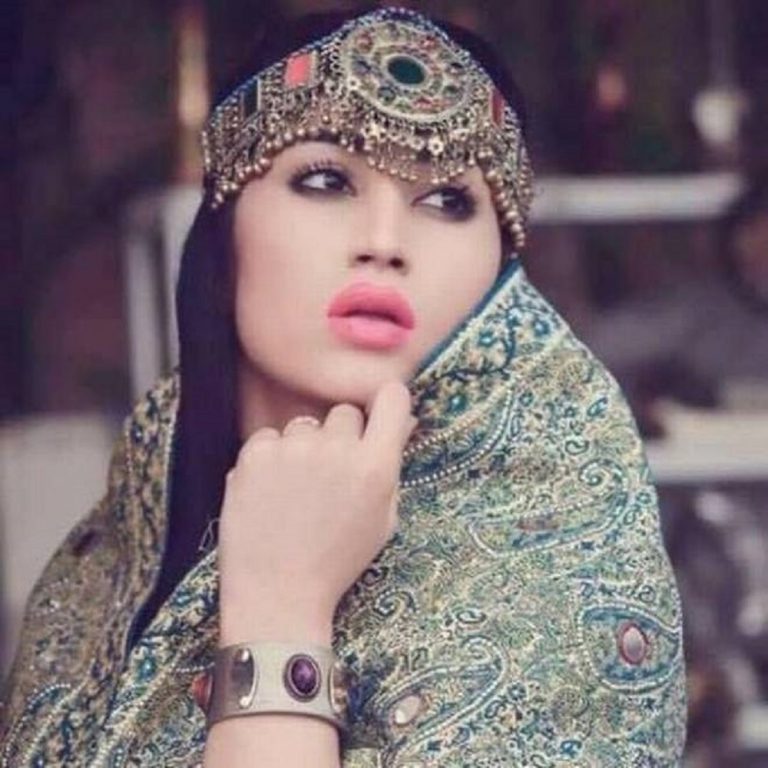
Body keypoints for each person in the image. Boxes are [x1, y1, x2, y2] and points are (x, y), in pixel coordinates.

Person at [0, 7, 687, 766]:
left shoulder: (554, 592)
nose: (385, 243)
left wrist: (281, 609)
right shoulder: (115, 558)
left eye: (448, 200)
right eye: (326, 180)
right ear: (225, 233)